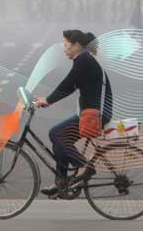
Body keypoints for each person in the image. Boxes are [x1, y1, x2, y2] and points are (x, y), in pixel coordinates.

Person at [33, 30, 113, 196]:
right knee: (59, 136)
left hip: (95, 115)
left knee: (56, 134)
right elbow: (70, 86)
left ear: (77, 45)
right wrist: (48, 100)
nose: (64, 48)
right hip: (91, 112)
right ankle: (61, 182)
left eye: (66, 44)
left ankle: (84, 166)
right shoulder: (84, 60)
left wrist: (47, 100)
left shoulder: (83, 60)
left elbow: (68, 83)